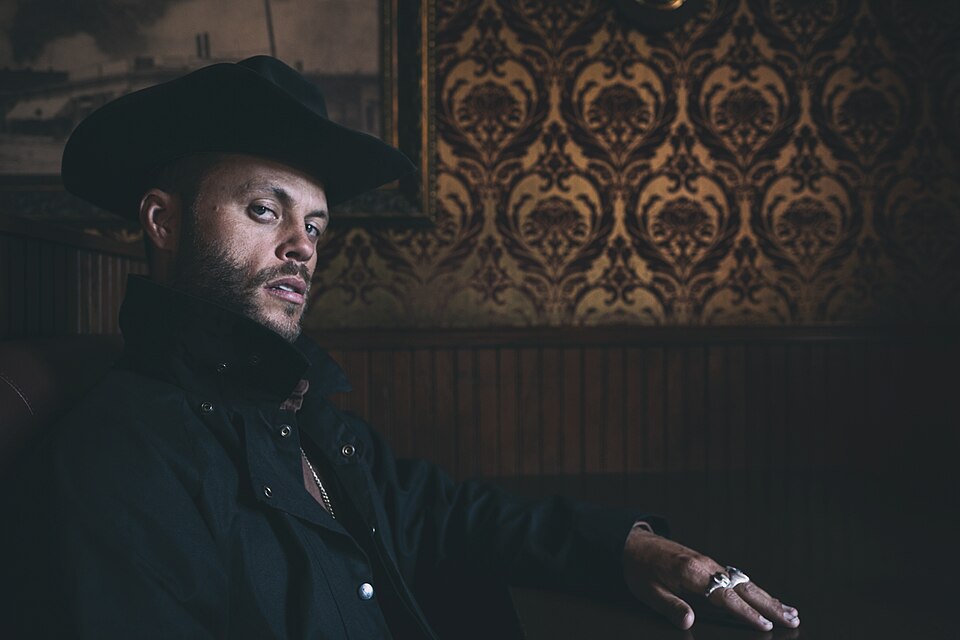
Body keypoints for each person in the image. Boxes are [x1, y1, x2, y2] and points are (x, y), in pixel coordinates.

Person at [5, 57, 799, 638]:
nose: (302, 247)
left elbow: (446, 514)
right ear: (163, 222)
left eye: (315, 226)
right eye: (264, 211)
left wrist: (636, 548)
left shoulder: (296, 411)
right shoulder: (121, 461)